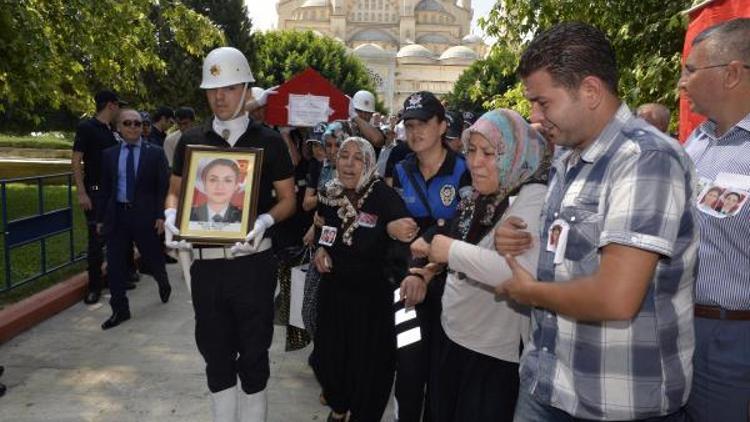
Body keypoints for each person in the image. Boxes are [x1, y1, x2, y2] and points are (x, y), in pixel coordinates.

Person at [494, 22, 697, 421]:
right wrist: (516, 239)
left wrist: (530, 292)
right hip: (548, 384)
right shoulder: (569, 159)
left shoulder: (645, 159)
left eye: (543, 102)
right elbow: (572, 255)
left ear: (589, 91)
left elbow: (616, 296)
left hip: (615, 402)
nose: (534, 116)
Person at [164, 46, 296, 422]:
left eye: (228, 88)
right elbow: (174, 189)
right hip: (205, 268)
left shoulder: (269, 141)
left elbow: (288, 199)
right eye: (212, 89)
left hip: (253, 266)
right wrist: (171, 213)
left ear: (246, 89)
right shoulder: (191, 140)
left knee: (254, 358)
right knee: (215, 357)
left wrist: (265, 222)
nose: (219, 97)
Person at [405, 109, 550, 421]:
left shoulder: (532, 195)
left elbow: (517, 273)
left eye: (489, 153)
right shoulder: (478, 197)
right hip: (449, 333)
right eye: (471, 151)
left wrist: (449, 251)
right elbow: (459, 251)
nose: (475, 162)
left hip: (491, 355)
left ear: (515, 155)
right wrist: (428, 269)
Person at [679, 18, 750, 422]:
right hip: (678, 328)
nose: (683, 83)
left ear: (732, 73)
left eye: (691, 70)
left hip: (733, 344)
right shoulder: (696, 142)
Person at [311, 137, 409, 422]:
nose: (349, 164)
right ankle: (339, 408)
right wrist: (320, 248)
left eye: (358, 158)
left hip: (372, 301)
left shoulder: (384, 197)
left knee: (369, 368)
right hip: (334, 295)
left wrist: (387, 232)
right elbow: (322, 229)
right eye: (344, 156)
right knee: (327, 360)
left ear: (369, 164)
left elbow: (404, 245)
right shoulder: (329, 193)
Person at [389, 91, 472, 422]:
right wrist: (390, 226)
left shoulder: (465, 170)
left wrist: (430, 239)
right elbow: (392, 224)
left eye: (423, 123)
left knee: (442, 375)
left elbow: (466, 227)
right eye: (409, 124)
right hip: (406, 288)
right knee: (408, 369)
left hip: (452, 289)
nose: (414, 131)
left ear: (441, 126)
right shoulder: (401, 168)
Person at [97, 109, 171, 330]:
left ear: (143, 127)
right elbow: (104, 189)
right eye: (127, 123)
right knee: (116, 264)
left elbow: (162, 188)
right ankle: (120, 309)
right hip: (117, 215)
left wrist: (160, 214)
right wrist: (100, 218)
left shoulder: (155, 153)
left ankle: (163, 280)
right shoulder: (109, 155)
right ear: (118, 127)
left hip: (145, 216)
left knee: (153, 256)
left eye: (137, 124)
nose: (132, 127)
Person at [71, 89, 122, 304]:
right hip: (96, 192)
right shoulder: (87, 127)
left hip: (113, 193)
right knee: (95, 241)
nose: (119, 110)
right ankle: (94, 287)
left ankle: (112, 278)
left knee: (115, 238)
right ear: (111, 105)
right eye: (118, 105)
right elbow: (76, 160)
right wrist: (82, 191)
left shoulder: (111, 130)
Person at [189, 159, 243, 224]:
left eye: (228, 180)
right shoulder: (189, 215)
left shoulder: (243, 218)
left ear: (236, 185)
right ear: (204, 183)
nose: (220, 187)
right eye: (213, 180)